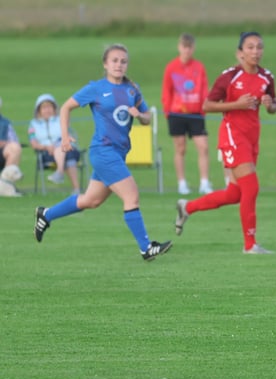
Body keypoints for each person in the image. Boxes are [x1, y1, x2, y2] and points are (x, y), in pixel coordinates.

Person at [33, 44, 172, 261]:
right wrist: (65, 136)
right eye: (114, 60)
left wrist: (139, 115)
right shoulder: (96, 88)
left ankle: (46, 214)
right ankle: (146, 248)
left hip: (119, 153)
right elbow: (66, 107)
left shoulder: (132, 90)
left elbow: (147, 119)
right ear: (105, 64)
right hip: (103, 151)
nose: (119, 65)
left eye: (123, 61)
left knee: (91, 201)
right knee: (131, 196)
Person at [174, 31, 276, 254]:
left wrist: (270, 105)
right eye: (250, 47)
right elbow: (207, 105)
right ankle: (250, 245)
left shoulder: (267, 77)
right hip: (232, 135)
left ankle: (187, 207)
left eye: (259, 47)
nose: (255, 51)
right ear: (239, 53)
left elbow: (274, 105)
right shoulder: (229, 77)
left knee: (235, 194)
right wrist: (236, 105)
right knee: (252, 186)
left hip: (252, 138)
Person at [162, 33, 212, 195]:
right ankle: (181, 183)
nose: (187, 51)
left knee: (203, 146)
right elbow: (167, 90)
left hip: (196, 112)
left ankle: (204, 182)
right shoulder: (171, 67)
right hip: (177, 113)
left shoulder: (199, 67)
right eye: (184, 47)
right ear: (179, 47)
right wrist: (167, 111)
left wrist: (205, 107)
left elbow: (204, 88)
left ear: (193, 48)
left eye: (190, 47)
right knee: (180, 148)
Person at [28, 93, 82, 194]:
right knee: (68, 158)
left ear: (54, 108)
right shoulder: (33, 124)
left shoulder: (61, 119)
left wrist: (58, 145)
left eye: (49, 107)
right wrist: (46, 147)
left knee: (65, 150)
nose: (47, 110)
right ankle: (76, 189)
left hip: (67, 148)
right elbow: (34, 143)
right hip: (47, 154)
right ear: (38, 110)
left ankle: (60, 172)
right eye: (44, 107)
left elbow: (67, 135)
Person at [0, 97, 23, 197]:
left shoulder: (5, 123)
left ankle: (6, 185)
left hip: (2, 153)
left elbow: (13, 140)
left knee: (15, 148)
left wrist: (4, 143)